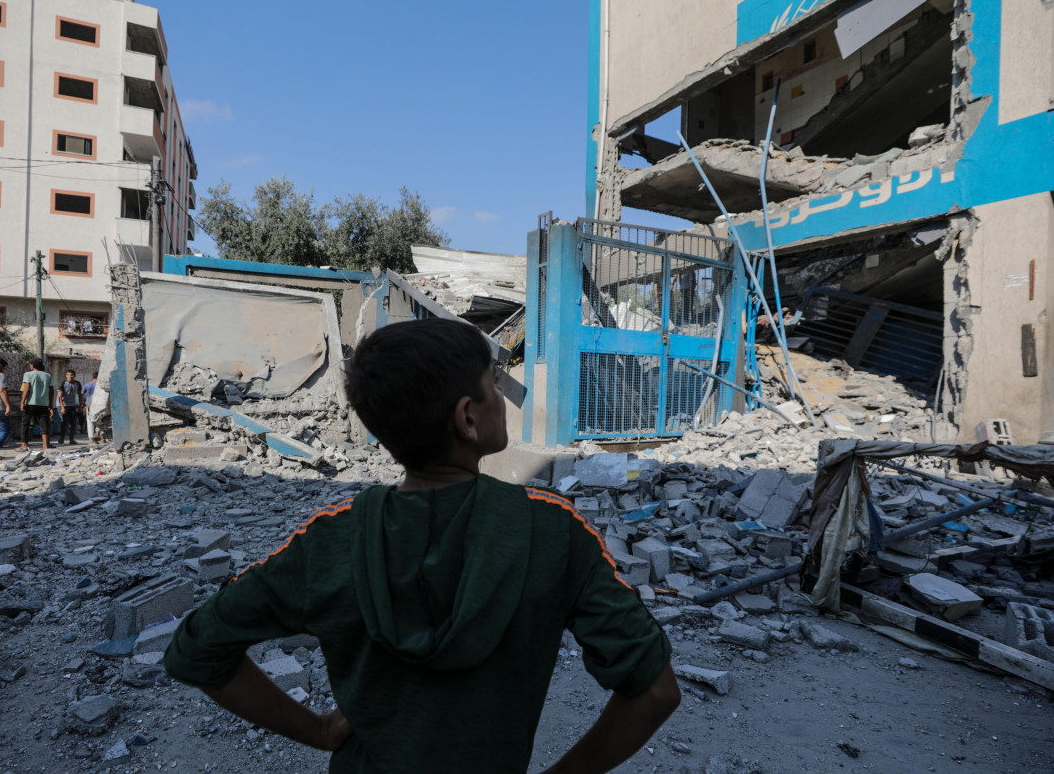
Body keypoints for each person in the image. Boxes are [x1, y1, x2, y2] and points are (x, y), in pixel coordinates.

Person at [163, 318, 680, 773]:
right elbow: (655, 691)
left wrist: (317, 731)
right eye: (492, 386)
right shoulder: (554, 532)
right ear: (468, 418)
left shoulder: (330, 539)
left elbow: (196, 650)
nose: (501, 398)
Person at [19, 358, 54, 452]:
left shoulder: (28, 374)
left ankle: (24, 445)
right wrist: (50, 404)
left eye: (30, 364)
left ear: (32, 365)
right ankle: (45, 446)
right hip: (43, 404)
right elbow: (51, 391)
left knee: (25, 424)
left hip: (30, 403)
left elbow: (27, 388)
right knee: (44, 425)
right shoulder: (47, 375)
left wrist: (22, 402)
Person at [57, 369, 83, 445]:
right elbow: (59, 397)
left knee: (73, 422)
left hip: (72, 405)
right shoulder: (63, 383)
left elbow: (80, 394)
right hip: (62, 404)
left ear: (74, 376)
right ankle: (61, 438)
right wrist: (62, 407)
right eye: (68, 375)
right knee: (64, 422)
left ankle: (72, 439)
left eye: (71, 375)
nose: (70, 377)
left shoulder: (77, 383)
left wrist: (81, 404)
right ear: (66, 376)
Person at [81, 373, 100, 443]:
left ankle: (91, 438)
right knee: (99, 421)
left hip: (89, 405)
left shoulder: (87, 385)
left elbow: (81, 394)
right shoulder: (99, 385)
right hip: (99, 404)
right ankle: (100, 436)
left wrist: (82, 403)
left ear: (92, 377)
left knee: (89, 422)